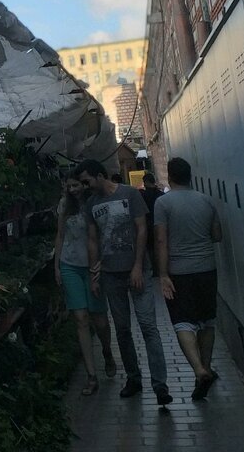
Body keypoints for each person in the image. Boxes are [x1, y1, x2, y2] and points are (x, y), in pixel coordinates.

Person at [78, 159, 172, 405]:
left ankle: (160, 384)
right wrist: (94, 273)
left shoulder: (130, 194)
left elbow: (142, 229)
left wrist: (138, 266)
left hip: (135, 271)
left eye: (87, 181)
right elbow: (92, 239)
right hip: (110, 275)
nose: (85, 186)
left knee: (148, 326)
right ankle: (134, 378)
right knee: (122, 330)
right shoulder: (91, 204)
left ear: (100, 175)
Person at [153, 157, 222, 400]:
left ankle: (198, 369)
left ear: (170, 176)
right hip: (207, 268)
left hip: (179, 272)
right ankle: (207, 366)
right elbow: (217, 235)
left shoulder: (163, 204)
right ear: (190, 176)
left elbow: (161, 240)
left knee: (183, 322)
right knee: (207, 321)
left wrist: (162, 274)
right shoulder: (207, 201)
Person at [55, 174, 117, 395]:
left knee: (99, 319)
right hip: (70, 263)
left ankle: (107, 352)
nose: (73, 189)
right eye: (69, 185)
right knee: (80, 318)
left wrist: (102, 262)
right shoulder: (65, 205)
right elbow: (60, 236)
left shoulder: (96, 204)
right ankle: (92, 376)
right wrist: (57, 265)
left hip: (93, 266)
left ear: (84, 184)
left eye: (76, 185)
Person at [142, 173, 165, 276]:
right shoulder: (161, 194)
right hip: (160, 223)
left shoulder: (142, 195)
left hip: (148, 224)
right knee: (161, 245)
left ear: (146, 182)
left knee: (150, 248)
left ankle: (154, 269)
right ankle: (161, 267)